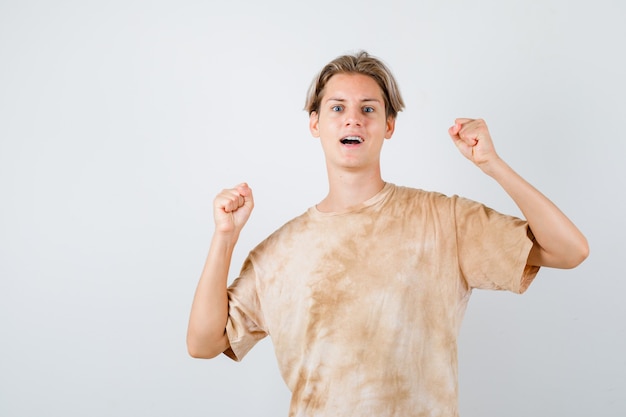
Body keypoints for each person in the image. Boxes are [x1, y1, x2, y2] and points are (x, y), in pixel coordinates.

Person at [186, 51, 589, 416]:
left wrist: (492, 165)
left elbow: (569, 250)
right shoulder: (279, 252)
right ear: (315, 123)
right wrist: (225, 238)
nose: (353, 119)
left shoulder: (442, 219)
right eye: (337, 107)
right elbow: (204, 344)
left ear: (388, 125)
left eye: (368, 108)